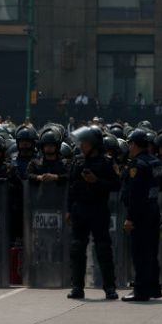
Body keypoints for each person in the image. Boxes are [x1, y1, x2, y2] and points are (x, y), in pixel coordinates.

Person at [66, 127, 120, 300]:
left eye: (86, 143)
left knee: (103, 249)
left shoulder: (106, 162)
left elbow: (116, 185)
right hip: (79, 210)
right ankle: (77, 287)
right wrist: (68, 210)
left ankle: (110, 287)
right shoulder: (77, 161)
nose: (82, 146)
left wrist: (96, 181)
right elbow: (71, 188)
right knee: (77, 248)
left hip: (98, 209)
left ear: (94, 144)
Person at [120, 128, 162, 302]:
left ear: (134, 144)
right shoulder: (156, 162)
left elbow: (135, 195)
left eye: (130, 143)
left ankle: (140, 291)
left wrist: (130, 218)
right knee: (151, 252)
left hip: (140, 214)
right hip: (153, 209)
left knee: (140, 254)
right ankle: (154, 288)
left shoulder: (137, 165)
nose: (128, 147)